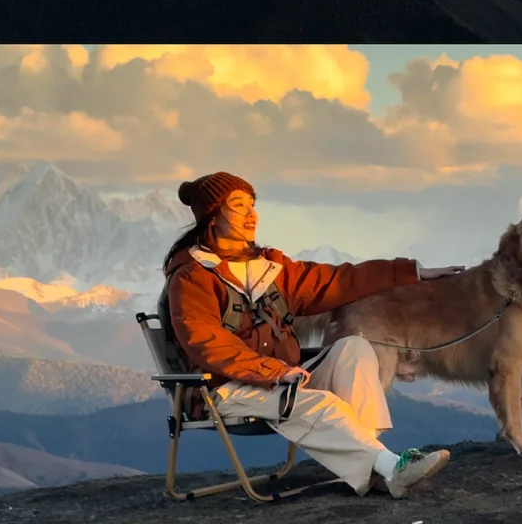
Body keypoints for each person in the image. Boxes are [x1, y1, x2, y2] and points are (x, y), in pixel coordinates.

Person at [163, 170, 463, 499]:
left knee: (355, 349)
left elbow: (338, 281)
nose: (252, 214)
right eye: (239, 205)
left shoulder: (270, 267)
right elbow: (208, 345)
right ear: (212, 215)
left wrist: (413, 272)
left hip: (282, 379)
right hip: (225, 389)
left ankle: (376, 465)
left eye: (252, 204)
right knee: (313, 400)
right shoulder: (192, 278)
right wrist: (275, 372)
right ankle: (391, 467)